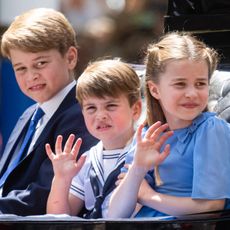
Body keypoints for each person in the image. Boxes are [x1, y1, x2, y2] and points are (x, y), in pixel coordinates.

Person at [108, 32, 230, 219]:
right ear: (155, 89)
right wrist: (138, 168)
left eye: (200, 84)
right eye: (180, 84)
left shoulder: (211, 130)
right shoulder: (148, 136)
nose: (192, 93)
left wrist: (149, 196)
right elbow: (115, 214)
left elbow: (211, 207)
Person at [0, 8, 98, 215]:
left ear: (70, 58)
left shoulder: (84, 113)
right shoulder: (29, 115)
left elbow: (44, 193)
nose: (31, 76)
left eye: (41, 63)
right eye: (21, 68)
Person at [46, 59, 142, 218]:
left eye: (111, 106)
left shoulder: (145, 153)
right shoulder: (87, 160)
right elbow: (59, 217)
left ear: (136, 109)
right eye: (91, 108)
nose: (101, 115)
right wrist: (61, 179)